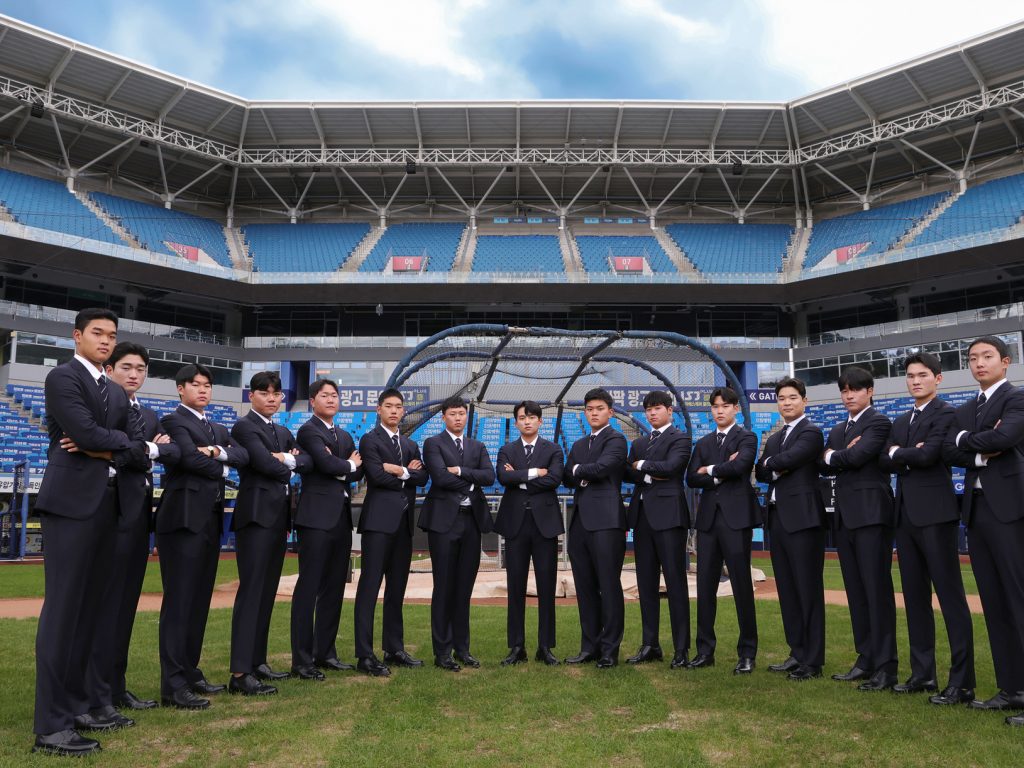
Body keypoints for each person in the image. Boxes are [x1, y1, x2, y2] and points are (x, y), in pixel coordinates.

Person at [32, 309, 136, 756]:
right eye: (98, 333)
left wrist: (101, 448)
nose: (106, 340)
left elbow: (137, 449)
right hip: (71, 506)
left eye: (112, 335)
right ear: (77, 336)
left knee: (90, 615)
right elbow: (82, 430)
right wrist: (108, 443)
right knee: (63, 614)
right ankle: (50, 727)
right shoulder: (63, 377)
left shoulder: (114, 389)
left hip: (106, 508)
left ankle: (76, 709)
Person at [879, 352, 975, 704]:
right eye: (910, 376)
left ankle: (962, 682)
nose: (915, 380)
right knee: (915, 599)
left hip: (936, 515)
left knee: (951, 599)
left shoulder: (947, 413)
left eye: (922, 375)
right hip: (904, 516)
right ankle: (923, 675)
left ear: (938, 378)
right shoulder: (902, 418)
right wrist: (907, 452)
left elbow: (929, 454)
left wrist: (899, 453)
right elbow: (883, 458)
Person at [90, 343, 179, 712]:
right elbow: (124, 451)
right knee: (105, 606)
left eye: (141, 369)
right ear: (109, 369)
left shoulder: (151, 414)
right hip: (109, 512)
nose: (134, 374)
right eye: (126, 367)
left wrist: (149, 450)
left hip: (139, 514)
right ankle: (96, 691)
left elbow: (172, 452)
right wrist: (145, 449)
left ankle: (116, 686)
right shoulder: (102, 406)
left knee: (126, 606)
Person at [157, 363, 249, 710]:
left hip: (209, 521)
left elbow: (243, 455)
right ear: (181, 389)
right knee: (179, 602)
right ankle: (173, 684)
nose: (203, 390)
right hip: (182, 519)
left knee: (198, 602)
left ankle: (190, 671)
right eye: (195, 385)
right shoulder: (173, 421)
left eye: (207, 385)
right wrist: (222, 462)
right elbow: (187, 459)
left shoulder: (217, 426)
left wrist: (215, 453)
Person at [943, 336, 1024, 725]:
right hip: (976, 513)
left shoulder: (1016, 398)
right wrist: (975, 447)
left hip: (1010, 510)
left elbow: (1005, 437)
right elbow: (948, 448)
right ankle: (1011, 689)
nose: (978, 363)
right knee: (993, 604)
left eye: (987, 356)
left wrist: (966, 441)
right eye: (972, 358)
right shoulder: (968, 408)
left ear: (1005, 362)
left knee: (1018, 599)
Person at [229, 371, 312, 694]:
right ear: (252, 396)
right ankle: (239, 673)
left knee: (266, 593)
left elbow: (307, 462)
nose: (272, 398)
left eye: (276, 394)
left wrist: (288, 459)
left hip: (278, 518)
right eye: (264, 393)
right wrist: (287, 460)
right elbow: (265, 464)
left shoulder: (281, 429)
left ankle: (257, 661)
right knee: (251, 592)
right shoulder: (244, 427)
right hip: (255, 517)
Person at [820, 366, 898, 692]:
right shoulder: (839, 428)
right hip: (846, 517)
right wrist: (842, 454)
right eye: (844, 390)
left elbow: (858, 456)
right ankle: (865, 658)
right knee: (856, 591)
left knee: (876, 591)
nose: (849, 395)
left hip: (871, 515)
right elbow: (823, 462)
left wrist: (839, 455)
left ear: (870, 391)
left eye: (855, 389)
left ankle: (886, 666)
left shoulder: (878, 422)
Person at [290, 379, 363, 680]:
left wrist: (341, 465)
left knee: (334, 588)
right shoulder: (308, 430)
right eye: (325, 395)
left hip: (340, 520)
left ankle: (325, 653)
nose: (331, 400)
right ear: (312, 401)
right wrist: (344, 465)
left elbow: (356, 468)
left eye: (335, 395)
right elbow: (328, 464)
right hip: (316, 518)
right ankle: (302, 660)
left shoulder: (343, 434)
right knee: (309, 588)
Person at [353, 388, 428, 677]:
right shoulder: (370, 440)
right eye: (389, 406)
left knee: (397, 590)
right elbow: (375, 476)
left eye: (399, 406)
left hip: (403, 524)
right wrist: (404, 474)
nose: (394, 411)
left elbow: (422, 477)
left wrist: (399, 472)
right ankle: (365, 654)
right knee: (369, 588)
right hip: (377, 524)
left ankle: (394, 648)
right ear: (379, 409)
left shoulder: (409, 444)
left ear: (404, 411)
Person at [755, 377, 826, 681]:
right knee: (787, 589)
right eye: (782, 398)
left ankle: (813, 660)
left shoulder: (811, 432)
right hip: (778, 518)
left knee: (807, 589)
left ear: (804, 401)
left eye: (792, 397)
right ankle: (796, 652)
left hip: (803, 519)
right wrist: (775, 464)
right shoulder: (774, 437)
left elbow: (793, 458)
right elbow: (761, 470)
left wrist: (774, 463)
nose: (786, 402)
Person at [686, 386, 760, 675]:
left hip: (736, 520)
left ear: (735, 409)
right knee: (705, 588)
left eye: (725, 405)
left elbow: (741, 466)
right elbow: (692, 478)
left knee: (742, 586)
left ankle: (747, 652)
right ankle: (705, 651)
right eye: (715, 406)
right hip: (708, 522)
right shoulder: (703, 442)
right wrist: (718, 470)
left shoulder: (747, 437)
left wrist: (709, 470)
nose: (720, 410)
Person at [420, 396, 495, 671]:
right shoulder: (433, 443)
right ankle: (442, 652)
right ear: (444, 417)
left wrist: (462, 472)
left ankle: (463, 648)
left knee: (464, 588)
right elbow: (439, 477)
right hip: (443, 523)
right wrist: (471, 483)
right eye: (452, 414)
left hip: (471, 522)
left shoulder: (477, 445)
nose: (458, 418)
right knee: (444, 588)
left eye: (462, 413)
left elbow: (489, 476)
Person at [623, 390, 692, 669]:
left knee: (675, 583)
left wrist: (643, 468)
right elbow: (628, 472)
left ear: (669, 411)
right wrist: (650, 470)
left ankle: (681, 648)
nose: (652, 413)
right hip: (642, 518)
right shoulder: (639, 442)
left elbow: (673, 468)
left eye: (657, 408)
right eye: (648, 409)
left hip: (669, 517)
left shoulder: (681, 438)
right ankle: (650, 644)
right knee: (646, 584)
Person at [494, 400, 565, 666]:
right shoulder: (506, 449)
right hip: (515, 523)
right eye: (522, 417)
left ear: (540, 421)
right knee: (515, 586)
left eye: (532, 417)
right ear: (516, 422)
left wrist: (520, 478)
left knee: (547, 586)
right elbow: (503, 478)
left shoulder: (553, 449)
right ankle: (517, 646)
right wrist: (535, 473)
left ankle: (545, 647)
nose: (527, 421)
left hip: (544, 523)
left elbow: (555, 479)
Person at [563, 388, 628, 668]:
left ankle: (609, 649)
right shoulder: (578, 445)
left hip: (606, 521)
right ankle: (589, 646)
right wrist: (580, 472)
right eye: (589, 409)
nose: (593, 413)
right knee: (585, 587)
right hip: (579, 522)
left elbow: (602, 469)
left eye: (599, 408)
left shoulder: (617, 439)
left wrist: (580, 471)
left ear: (610, 412)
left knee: (608, 585)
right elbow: (567, 476)